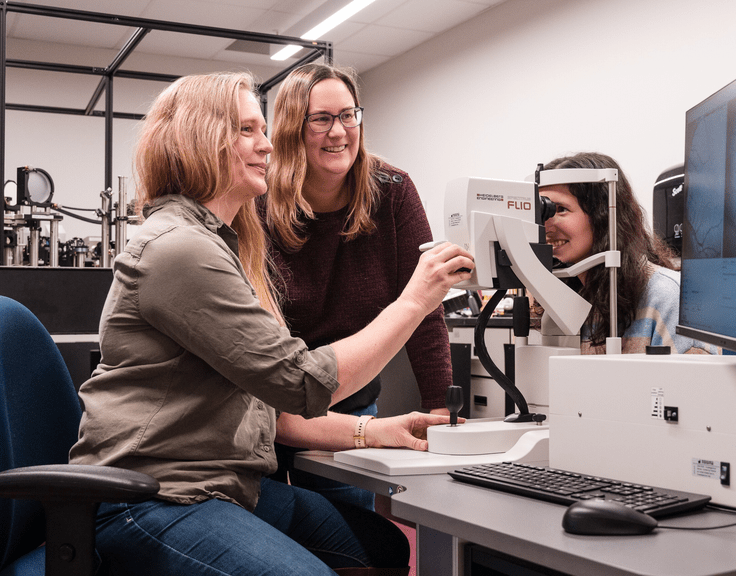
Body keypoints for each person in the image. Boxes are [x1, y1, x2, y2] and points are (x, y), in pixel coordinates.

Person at [68, 71, 474, 576]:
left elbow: (273, 409)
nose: (267, 146)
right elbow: (297, 382)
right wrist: (414, 299)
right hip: (155, 494)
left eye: (264, 130)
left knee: (382, 550)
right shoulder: (181, 249)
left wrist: (377, 428)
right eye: (247, 131)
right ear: (202, 139)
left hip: (223, 484)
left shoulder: (225, 244)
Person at [261, 64, 454, 509]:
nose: (339, 132)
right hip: (270, 407)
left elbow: (425, 308)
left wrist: (442, 410)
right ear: (293, 128)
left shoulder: (393, 192)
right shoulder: (258, 205)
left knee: (357, 537)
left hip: (347, 402)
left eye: (349, 116)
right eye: (322, 119)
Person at [538, 151, 713, 355]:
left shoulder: (670, 297)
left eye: (559, 209)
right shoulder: (576, 301)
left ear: (603, 215)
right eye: (541, 211)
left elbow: (694, 385)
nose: (546, 224)